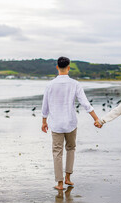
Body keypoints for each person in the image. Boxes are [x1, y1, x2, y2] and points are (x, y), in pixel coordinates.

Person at [41, 56, 100, 190]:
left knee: (57, 152)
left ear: (57, 67)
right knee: (71, 149)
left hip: (56, 124)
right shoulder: (75, 84)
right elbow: (85, 103)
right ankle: (68, 177)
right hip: (70, 122)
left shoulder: (50, 85)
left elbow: (45, 106)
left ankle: (60, 183)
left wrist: (44, 121)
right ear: (68, 68)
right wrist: (96, 118)